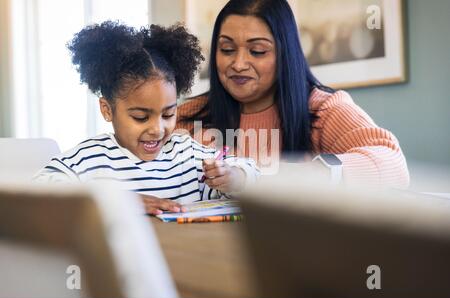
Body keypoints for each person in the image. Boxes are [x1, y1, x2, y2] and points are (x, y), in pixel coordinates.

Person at [176, 0, 410, 188]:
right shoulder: (186, 116)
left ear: (285, 54)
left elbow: (393, 165)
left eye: (257, 51)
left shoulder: (323, 109)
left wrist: (310, 175)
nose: (238, 63)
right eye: (227, 49)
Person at [34, 21, 259, 214]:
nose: (157, 129)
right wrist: (119, 202)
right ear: (107, 109)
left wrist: (233, 177)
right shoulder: (91, 159)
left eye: (168, 114)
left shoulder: (184, 153)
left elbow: (252, 172)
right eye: (141, 117)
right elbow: (39, 192)